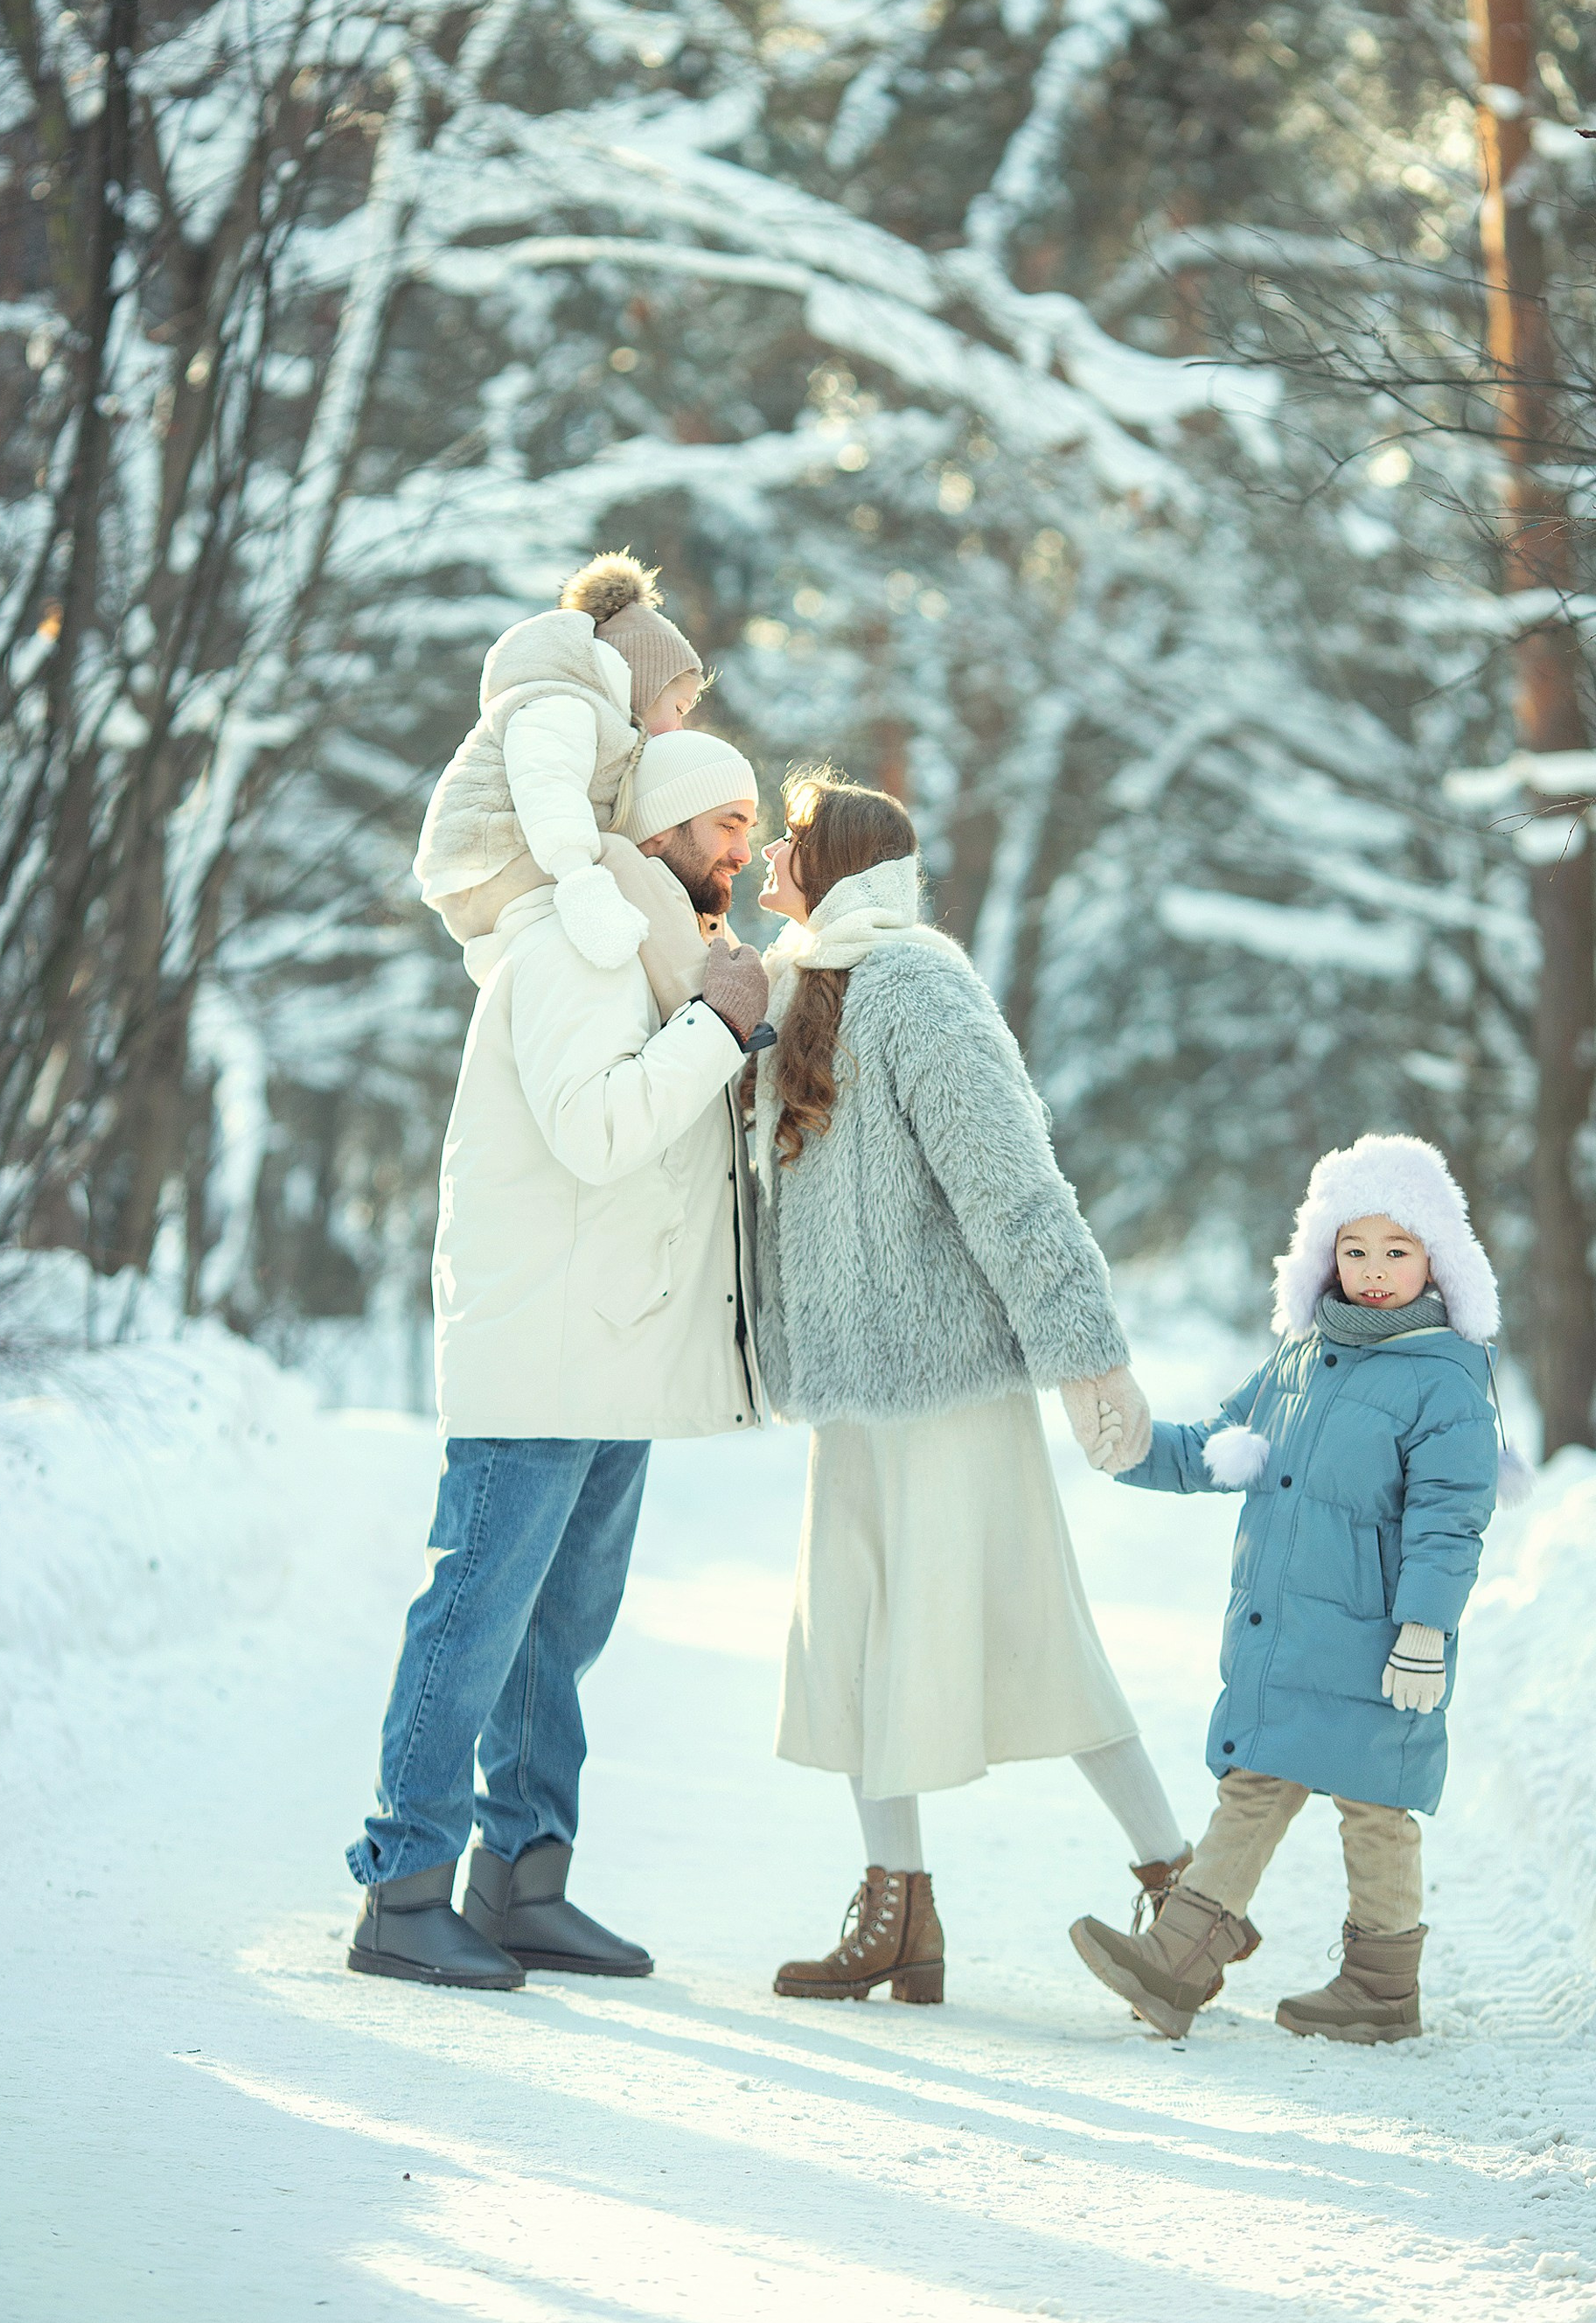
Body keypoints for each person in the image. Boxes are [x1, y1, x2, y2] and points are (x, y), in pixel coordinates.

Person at [347, 729, 776, 1991]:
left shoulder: (654, 950)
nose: (743, 852)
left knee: (557, 1636)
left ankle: (524, 1883)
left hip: (612, 1357)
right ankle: (403, 1887)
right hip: (541, 1349)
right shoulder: (576, 944)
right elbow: (598, 1132)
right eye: (724, 826)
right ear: (658, 835)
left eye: (753, 824)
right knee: (477, 1616)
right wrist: (714, 1026)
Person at [750, 770, 1181, 2007]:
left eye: (788, 839)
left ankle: (1180, 1888)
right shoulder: (792, 988)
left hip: (949, 1390)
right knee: (859, 1636)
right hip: (849, 1394)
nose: (770, 855)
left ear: (836, 864)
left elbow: (1012, 1182)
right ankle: (897, 1914)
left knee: (1031, 1625)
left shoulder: (923, 987)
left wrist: (1088, 1355)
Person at [1070, 1133, 1526, 2045]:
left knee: (1374, 1811)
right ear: (1323, 1254)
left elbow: (1447, 1519)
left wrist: (1423, 1631)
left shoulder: (1444, 1381)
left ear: (1435, 1258)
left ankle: (1379, 1987)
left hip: (1375, 1646)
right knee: (1252, 1786)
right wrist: (1124, 1443)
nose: (1371, 1271)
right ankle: (1177, 1962)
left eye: (1395, 1251)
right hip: (1288, 1642)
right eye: (1352, 1250)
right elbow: (1216, 1449)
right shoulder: (1299, 1360)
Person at [414, 551, 705, 969]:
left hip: (504, 867)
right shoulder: (562, 704)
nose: (680, 727)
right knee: (620, 859)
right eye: (679, 708)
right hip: (489, 858)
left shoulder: (601, 721)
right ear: (643, 684)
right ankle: (697, 997)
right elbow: (547, 782)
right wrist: (581, 882)